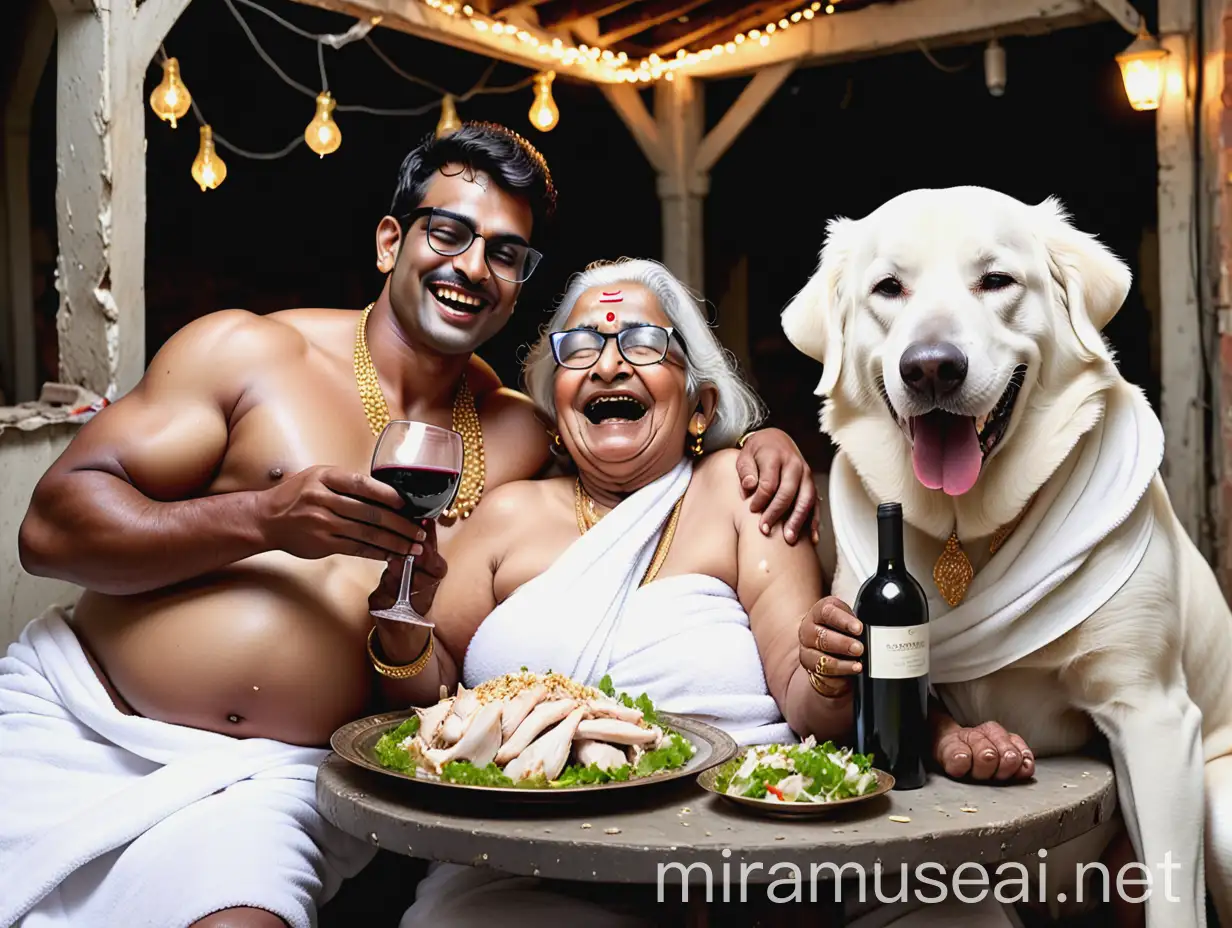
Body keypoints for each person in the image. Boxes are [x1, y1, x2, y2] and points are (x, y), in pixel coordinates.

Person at [0, 124, 816, 928]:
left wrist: (760, 441)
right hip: (84, 719)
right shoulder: (250, 352)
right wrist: (262, 517)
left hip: (280, 778)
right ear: (392, 241)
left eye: (504, 252)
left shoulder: (519, 430)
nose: (472, 266)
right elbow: (52, 530)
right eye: (450, 232)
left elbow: (638, 464)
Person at [368, 258, 1033, 928]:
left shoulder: (739, 491)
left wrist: (829, 669)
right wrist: (400, 632)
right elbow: (429, 705)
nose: (608, 364)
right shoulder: (503, 516)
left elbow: (808, 708)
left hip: (758, 847)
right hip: (532, 863)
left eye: (643, 343)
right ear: (552, 402)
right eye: (582, 347)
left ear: (700, 402)